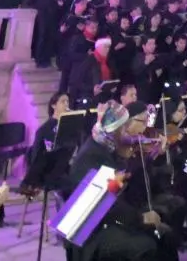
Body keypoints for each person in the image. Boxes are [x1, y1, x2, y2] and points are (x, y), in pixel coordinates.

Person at [62, 101, 172, 261]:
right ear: (113, 130)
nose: (125, 133)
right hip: (88, 234)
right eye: (122, 129)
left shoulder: (100, 145)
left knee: (161, 235)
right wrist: (140, 218)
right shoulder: (93, 157)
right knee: (147, 244)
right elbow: (106, 203)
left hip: (100, 220)